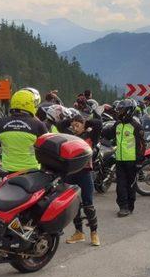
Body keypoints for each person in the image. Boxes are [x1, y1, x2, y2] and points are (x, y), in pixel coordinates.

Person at [62, 114, 102, 247]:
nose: (74, 127)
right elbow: (60, 125)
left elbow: (98, 123)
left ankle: (94, 233)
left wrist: (85, 122)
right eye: (72, 125)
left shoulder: (91, 136)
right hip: (71, 174)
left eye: (77, 125)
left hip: (85, 173)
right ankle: (79, 232)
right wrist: (72, 120)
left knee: (88, 204)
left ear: (84, 125)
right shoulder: (69, 136)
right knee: (74, 205)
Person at [103, 99, 145, 217]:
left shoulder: (136, 126)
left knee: (130, 185)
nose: (119, 112)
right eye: (119, 110)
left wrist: (139, 161)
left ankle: (130, 206)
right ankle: (123, 207)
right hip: (120, 160)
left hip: (132, 161)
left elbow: (142, 145)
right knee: (120, 185)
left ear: (128, 111)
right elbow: (109, 134)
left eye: (121, 110)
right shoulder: (117, 124)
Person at [0, 90, 47, 172]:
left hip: (6, 171)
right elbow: (45, 150)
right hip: (32, 172)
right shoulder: (39, 125)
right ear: (31, 105)